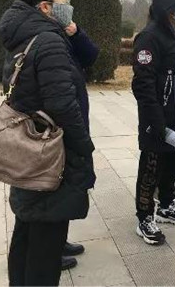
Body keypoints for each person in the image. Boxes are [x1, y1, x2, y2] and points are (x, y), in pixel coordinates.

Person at [0, 0, 95, 286]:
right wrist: (84, 146)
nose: (68, 3)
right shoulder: (48, 39)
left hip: (29, 146)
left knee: (27, 229)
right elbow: (62, 104)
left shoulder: (24, 33)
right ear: (44, 7)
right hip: (48, 150)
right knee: (45, 243)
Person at [132, 0, 175, 245]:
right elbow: (143, 86)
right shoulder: (149, 38)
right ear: (166, 8)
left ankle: (167, 204)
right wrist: (159, 126)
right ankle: (144, 216)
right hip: (156, 119)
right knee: (151, 168)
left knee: (172, 165)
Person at [61, 17, 99, 270]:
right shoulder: (45, 37)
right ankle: (48, 248)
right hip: (57, 129)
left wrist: (76, 33)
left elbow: (90, 55)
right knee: (51, 187)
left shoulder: (64, 33)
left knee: (64, 186)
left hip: (71, 125)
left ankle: (57, 239)